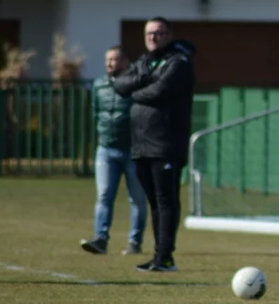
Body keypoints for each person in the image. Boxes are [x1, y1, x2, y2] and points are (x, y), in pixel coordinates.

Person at [112, 17, 196, 272]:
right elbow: (119, 84)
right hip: (140, 144)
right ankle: (158, 256)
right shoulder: (144, 61)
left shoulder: (178, 62)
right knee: (153, 202)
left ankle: (165, 257)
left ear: (169, 34)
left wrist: (136, 92)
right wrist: (142, 79)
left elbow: (160, 91)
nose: (153, 37)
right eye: (149, 33)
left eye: (159, 33)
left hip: (166, 144)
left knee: (166, 200)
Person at [80, 46, 148, 256]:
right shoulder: (99, 84)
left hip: (134, 151)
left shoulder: (136, 83)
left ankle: (134, 242)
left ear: (126, 62)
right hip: (106, 149)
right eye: (107, 59)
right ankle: (100, 239)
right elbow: (95, 111)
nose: (110, 63)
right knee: (104, 195)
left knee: (136, 198)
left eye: (115, 59)